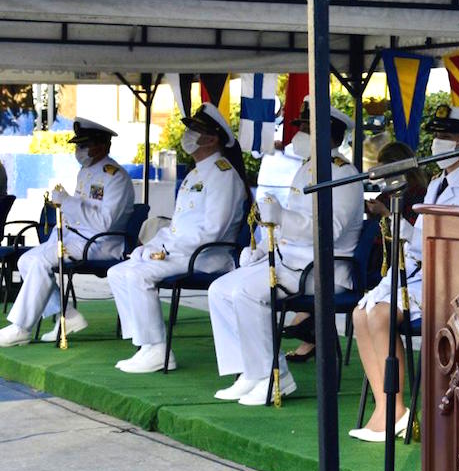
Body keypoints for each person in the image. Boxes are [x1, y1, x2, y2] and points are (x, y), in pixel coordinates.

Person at [349, 105, 459, 441]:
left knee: (382, 317)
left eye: (446, 136)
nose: (437, 143)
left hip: (453, 280)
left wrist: (408, 236)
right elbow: (417, 244)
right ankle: (386, 407)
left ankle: (395, 407)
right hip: (418, 272)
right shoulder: (436, 183)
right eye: (436, 135)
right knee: (361, 313)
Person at [207, 102, 364, 405]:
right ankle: (249, 371)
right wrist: (268, 243)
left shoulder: (344, 174)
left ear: (327, 135)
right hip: (290, 262)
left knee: (247, 294)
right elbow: (289, 222)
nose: (299, 133)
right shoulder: (306, 167)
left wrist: (282, 217)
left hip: (321, 270)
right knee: (220, 289)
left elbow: (329, 230)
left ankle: (275, 375)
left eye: (306, 128)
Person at [108, 104, 247, 373]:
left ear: (212, 138)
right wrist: (151, 246)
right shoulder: (196, 173)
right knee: (118, 272)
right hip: (183, 252)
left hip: (207, 257)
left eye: (196, 130)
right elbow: (178, 226)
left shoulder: (222, 174)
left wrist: (163, 250)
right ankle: (145, 344)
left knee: (139, 275)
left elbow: (213, 230)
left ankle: (159, 350)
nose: (189, 135)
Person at [283, 140, 428, 363]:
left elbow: (410, 233)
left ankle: (310, 325)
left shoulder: (417, 193)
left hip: (394, 258)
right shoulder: (389, 190)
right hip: (378, 254)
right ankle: (311, 327)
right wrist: (374, 212)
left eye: (384, 166)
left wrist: (386, 213)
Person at [0, 118, 134, 346]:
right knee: (26, 260)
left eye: (83, 146)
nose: (78, 151)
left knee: (39, 261)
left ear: (100, 146)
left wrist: (68, 203)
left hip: (100, 244)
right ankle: (68, 315)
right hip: (76, 239)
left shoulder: (116, 177)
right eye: (77, 146)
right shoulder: (86, 172)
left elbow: (105, 223)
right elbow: (79, 213)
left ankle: (22, 327)